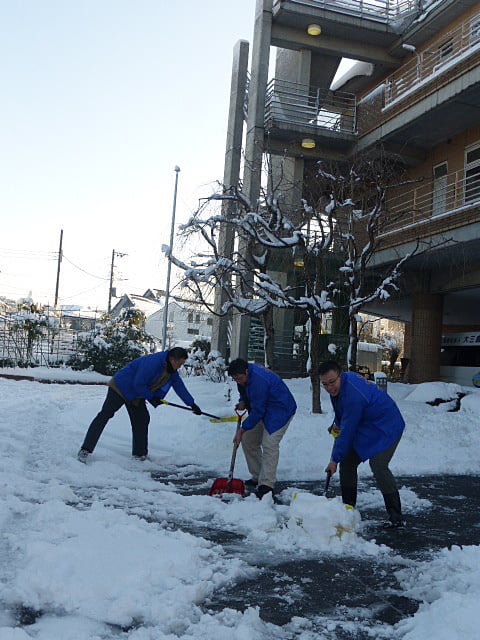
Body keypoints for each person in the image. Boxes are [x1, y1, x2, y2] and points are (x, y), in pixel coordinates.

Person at [319, 360, 406, 528]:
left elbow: (348, 431)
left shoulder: (353, 395)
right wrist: (336, 426)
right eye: (325, 384)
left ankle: (396, 515)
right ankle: (348, 509)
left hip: (387, 425)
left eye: (332, 382)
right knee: (348, 461)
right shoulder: (340, 387)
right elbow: (341, 416)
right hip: (367, 424)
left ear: (340, 375)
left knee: (379, 465)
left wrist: (333, 460)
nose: (329, 388)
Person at [77, 347, 202, 463]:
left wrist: (192, 404)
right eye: (179, 363)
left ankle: (139, 454)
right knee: (105, 415)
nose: (180, 367)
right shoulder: (154, 362)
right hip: (121, 387)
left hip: (136, 394)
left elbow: (179, 387)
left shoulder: (171, 370)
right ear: (172, 359)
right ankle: (85, 450)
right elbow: (138, 383)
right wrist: (151, 397)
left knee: (142, 419)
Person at [227, 358, 297, 499]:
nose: (238, 381)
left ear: (246, 371)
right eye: (235, 379)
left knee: (269, 444)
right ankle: (258, 475)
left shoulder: (259, 380)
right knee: (248, 440)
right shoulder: (244, 377)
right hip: (264, 407)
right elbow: (246, 391)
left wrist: (242, 429)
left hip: (280, 410)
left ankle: (266, 484)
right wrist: (242, 401)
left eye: (239, 378)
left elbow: (258, 411)